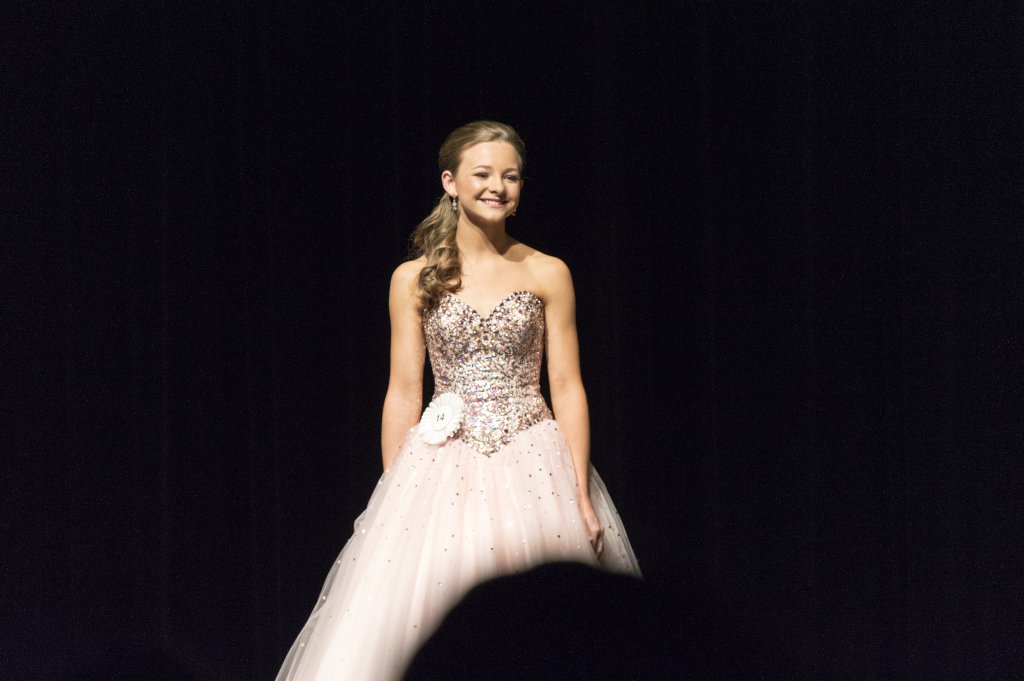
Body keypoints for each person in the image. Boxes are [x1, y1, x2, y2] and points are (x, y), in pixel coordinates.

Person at [274, 121, 641, 681]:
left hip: (533, 458)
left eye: (511, 176)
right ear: (450, 182)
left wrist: (579, 494)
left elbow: (567, 386)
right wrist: (394, 499)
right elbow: (404, 390)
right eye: (483, 174)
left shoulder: (547, 272)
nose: (498, 187)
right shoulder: (414, 278)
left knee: (545, 628)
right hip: (443, 463)